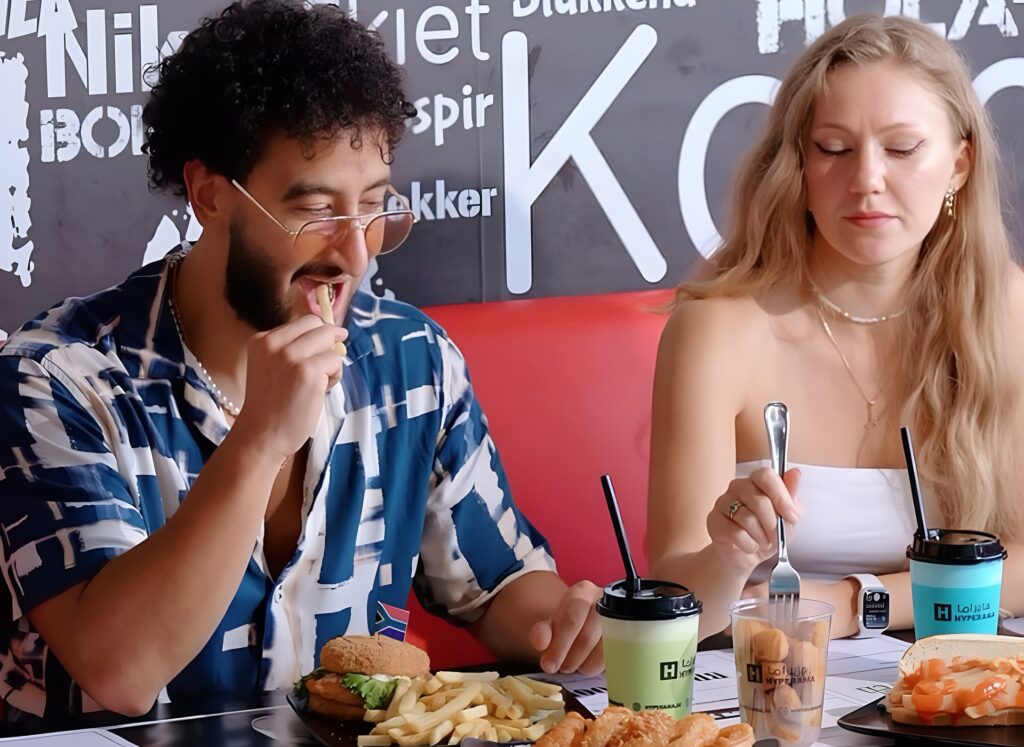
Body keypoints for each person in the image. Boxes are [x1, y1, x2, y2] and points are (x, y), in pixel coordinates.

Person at [0, 0, 603, 723]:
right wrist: (258, 441)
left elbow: (496, 587)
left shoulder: (410, 360)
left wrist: (572, 622)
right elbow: (120, 668)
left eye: (375, 210)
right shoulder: (58, 378)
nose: (355, 255)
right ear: (209, 193)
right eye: (319, 213)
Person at [647, 13, 1024, 641]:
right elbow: (678, 601)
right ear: (797, 164)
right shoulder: (717, 328)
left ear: (960, 165)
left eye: (902, 149)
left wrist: (856, 603)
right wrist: (727, 558)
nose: (867, 180)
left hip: (962, 690)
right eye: (834, 149)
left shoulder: (1008, 309)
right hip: (770, 692)